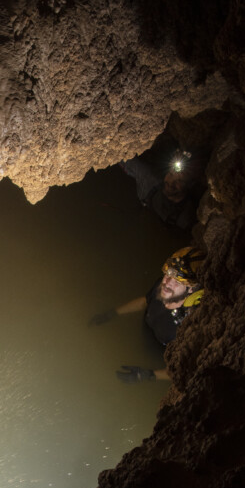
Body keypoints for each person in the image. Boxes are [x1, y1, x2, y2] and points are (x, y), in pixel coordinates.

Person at [89, 246, 204, 382]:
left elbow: (184, 369)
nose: (167, 282)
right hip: (146, 333)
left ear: (191, 288)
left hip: (160, 353)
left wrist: (148, 375)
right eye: (167, 274)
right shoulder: (162, 289)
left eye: (177, 281)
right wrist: (112, 313)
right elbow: (145, 302)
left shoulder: (191, 324)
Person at [121, 149, 198, 231]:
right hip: (148, 195)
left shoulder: (187, 218)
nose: (171, 182)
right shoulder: (149, 180)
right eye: (171, 174)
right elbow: (123, 158)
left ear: (189, 184)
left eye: (179, 181)